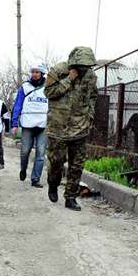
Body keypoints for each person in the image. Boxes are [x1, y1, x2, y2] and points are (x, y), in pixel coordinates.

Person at [44, 47, 98, 211]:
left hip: (80, 127)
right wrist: (69, 79)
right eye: (81, 66)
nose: (84, 69)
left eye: (87, 66)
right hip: (58, 127)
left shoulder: (91, 76)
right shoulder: (58, 70)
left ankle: (70, 197)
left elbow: (93, 97)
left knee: (77, 165)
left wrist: (90, 116)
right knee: (57, 161)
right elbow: (49, 92)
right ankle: (53, 184)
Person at [11, 64, 49, 188]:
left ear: (42, 73)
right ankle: (23, 169)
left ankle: (35, 179)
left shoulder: (48, 87)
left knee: (41, 153)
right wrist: (14, 123)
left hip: (43, 125)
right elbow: (17, 105)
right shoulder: (24, 87)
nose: (34, 74)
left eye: (37, 72)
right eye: (33, 72)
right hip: (27, 124)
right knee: (25, 151)